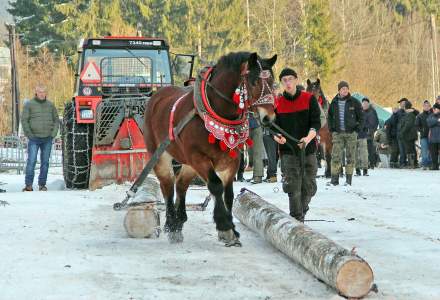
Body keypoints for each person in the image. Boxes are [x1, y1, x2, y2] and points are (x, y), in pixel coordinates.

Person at [273, 68, 321, 222]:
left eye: (290, 79)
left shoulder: (309, 99)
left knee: (308, 187)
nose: (288, 83)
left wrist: (307, 139)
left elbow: (316, 123)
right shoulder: (278, 103)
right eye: (284, 80)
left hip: (308, 149)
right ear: (282, 83)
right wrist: (277, 137)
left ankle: (302, 210)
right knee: (293, 187)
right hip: (288, 151)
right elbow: (273, 127)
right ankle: (296, 218)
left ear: (296, 80)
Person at [21, 85, 59, 191]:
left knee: (45, 162)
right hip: (34, 138)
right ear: (36, 92)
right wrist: (29, 134)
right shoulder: (29, 104)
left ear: (46, 93)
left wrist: (53, 134)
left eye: (44, 92)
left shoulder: (51, 105)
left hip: (47, 138)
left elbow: (56, 120)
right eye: (40, 92)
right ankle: (28, 185)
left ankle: (42, 185)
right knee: (31, 161)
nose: (42, 94)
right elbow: (24, 120)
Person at [327, 81, 363, 185]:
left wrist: (357, 129)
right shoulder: (334, 102)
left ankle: (348, 180)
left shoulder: (355, 102)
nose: (345, 90)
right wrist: (332, 129)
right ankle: (334, 180)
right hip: (337, 134)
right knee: (336, 156)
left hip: (351, 134)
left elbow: (361, 117)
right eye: (343, 89)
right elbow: (329, 117)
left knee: (350, 156)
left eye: (346, 88)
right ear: (339, 90)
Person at [398, 100, 419, 168]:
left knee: (410, 149)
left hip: (409, 135)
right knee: (412, 149)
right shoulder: (411, 114)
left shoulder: (409, 115)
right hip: (410, 135)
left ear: (405, 108)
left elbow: (408, 125)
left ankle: (412, 164)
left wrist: (402, 132)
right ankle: (413, 163)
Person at [362, 98, 379, 169]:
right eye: (363, 103)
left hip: (369, 133)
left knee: (370, 149)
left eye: (366, 103)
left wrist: (370, 131)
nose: (364, 105)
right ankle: (367, 163)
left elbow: (375, 123)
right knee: (365, 150)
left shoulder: (372, 112)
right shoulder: (362, 111)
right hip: (363, 133)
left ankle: (372, 163)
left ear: (368, 104)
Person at [415, 100, 433, 169]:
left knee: (431, 151)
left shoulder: (433, 115)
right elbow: (416, 125)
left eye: (428, 106)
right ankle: (425, 164)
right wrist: (421, 130)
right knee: (424, 151)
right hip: (424, 136)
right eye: (425, 106)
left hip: (432, 136)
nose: (426, 107)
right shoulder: (420, 116)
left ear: (430, 107)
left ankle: (431, 164)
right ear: (423, 107)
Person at [247, 113, 264, 184]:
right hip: (246, 127)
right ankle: (255, 175)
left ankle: (258, 175)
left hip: (257, 126)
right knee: (250, 152)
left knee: (257, 151)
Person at [427, 103, 440, 170]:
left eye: (435, 108)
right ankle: (435, 166)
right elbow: (429, 123)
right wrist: (437, 121)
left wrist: (434, 123)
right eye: (434, 108)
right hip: (432, 138)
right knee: (433, 154)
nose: (434, 110)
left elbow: (432, 123)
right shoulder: (431, 115)